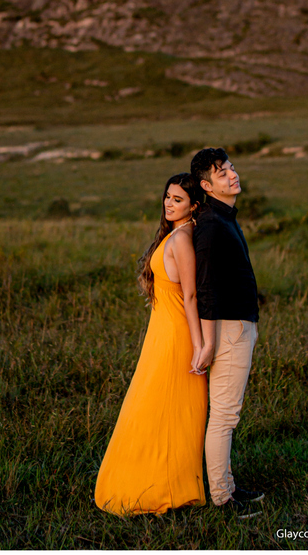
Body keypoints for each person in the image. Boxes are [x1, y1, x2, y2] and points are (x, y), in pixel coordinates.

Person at [94, 173, 207, 515]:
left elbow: (190, 295)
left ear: (194, 206)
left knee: (173, 409)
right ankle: (151, 476)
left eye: (178, 200)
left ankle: (173, 482)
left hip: (177, 336)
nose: (169, 205)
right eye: (168, 198)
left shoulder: (184, 239)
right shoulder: (173, 235)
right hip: (161, 332)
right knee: (150, 405)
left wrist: (200, 345)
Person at [190, 147, 263, 519]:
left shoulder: (223, 217)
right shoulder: (212, 225)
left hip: (238, 324)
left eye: (231, 168)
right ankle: (221, 497)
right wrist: (209, 342)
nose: (233, 175)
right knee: (224, 417)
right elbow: (204, 288)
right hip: (228, 329)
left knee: (226, 415)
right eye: (222, 173)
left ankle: (228, 484)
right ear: (207, 185)